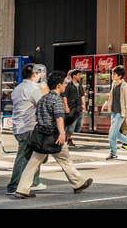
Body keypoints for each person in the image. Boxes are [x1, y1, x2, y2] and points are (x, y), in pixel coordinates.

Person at [14, 70, 93, 199]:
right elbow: (59, 118)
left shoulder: (43, 98)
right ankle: (78, 183)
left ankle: (22, 189)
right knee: (64, 159)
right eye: (64, 84)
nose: (65, 86)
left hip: (41, 134)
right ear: (58, 85)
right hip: (53, 135)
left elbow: (37, 116)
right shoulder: (57, 99)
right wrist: (62, 134)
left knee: (34, 162)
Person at [6, 64, 44, 196]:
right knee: (23, 156)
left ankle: (34, 181)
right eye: (39, 73)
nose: (41, 76)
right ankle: (14, 185)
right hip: (28, 126)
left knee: (36, 154)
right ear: (34, 74)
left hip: (19, 126)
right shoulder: (33, 88)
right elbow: (42, 104)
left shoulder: (18, 88)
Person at [102, 65, 127, 158]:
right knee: (115, 133)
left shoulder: (124, 86)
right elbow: (111, 94)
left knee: (111, 134)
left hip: (120, 113)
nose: (112, 75)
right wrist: (106, 103)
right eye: (112, 73)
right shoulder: (114, 83)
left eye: (114, 74)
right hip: (114, 112)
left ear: (120, 76)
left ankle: (113, 153)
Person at [63, 69, 85, 145]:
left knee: (79, 124)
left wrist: (84, 104)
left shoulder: (80, 85)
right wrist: (66, 107)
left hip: (79, 107)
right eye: (78, 75)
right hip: (71, 107)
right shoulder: (69, 85)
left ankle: (66, 136)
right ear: (74, 76)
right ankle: (68, 138)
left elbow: (82, 95)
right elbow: (65, 96)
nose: (80, 76)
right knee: (72, 123)